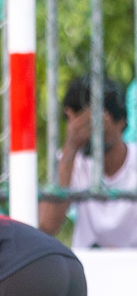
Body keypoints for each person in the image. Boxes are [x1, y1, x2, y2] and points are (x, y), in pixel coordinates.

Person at [38, 74, 137, 248]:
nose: (91, 129)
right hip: (89, 267)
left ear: (121, 121)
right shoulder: (73, 161)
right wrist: (70, 146)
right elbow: (46, 225)